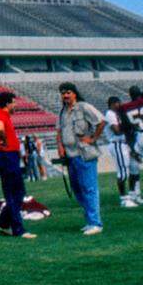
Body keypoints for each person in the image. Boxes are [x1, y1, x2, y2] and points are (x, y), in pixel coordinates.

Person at [55, 82, 105, 235]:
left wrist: (93, 138)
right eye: (63, 93)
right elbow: (59, 131)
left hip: (84, 154)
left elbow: (101, 121)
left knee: (89, 188)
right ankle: (89, 220)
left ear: (74, 93)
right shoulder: (63, 112)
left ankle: (95, 223)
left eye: (68, 92)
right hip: (70, 156)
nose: (65, 95)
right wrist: (60, 146)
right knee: (77, 190)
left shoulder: (83, 107)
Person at [0, 91, 36, 239]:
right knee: (14, 193)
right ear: (7, 104)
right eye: (14, 102)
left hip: (9, 156)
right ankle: (18, 229)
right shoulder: (0, 115)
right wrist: (3, 140)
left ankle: (3, 221)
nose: (15, 105)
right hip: (7, 156)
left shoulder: (4, 116)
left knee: (18, 192)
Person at [103, 96, 140, 208]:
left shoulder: (119, 114)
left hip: (126, 143)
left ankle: (133, 195)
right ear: (112, 104)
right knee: (123, 171)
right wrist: (129, 125)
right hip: (117, 143)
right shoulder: (110, 114)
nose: (120, 105)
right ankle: (124, 198)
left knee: (134, 169)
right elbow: (117, 131)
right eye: (118, 103)